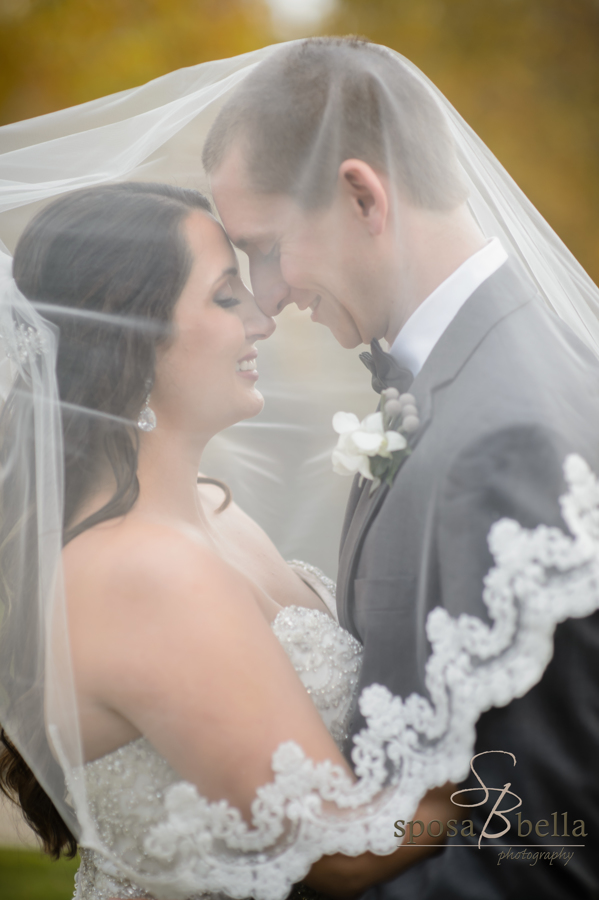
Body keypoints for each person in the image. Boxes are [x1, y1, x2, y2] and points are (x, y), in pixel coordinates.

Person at [204, 37, 599, 899]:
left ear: (361, 195)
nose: (265, 296)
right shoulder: (466, 379)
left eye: (265, 248)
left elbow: (545, 854)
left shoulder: (508, 437)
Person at [0, 181, 457, 900]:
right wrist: (502, 758)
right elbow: (333, 853)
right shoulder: (137, 571)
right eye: (223, 298)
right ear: (129, 334)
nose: (261, 321)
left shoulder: (214, 514)